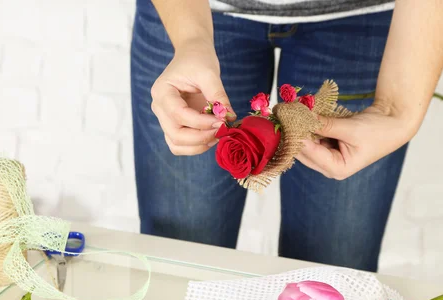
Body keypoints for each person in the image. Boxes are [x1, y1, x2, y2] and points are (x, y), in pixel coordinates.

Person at [130, 0, 443, 273]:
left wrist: (397, 112)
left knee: (334, 272)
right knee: (178, 261)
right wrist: (191, 40)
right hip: (191, 10)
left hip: (366, 19)